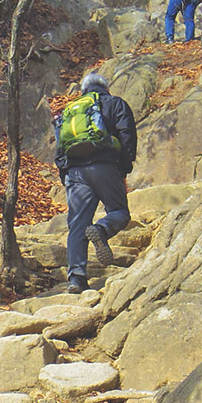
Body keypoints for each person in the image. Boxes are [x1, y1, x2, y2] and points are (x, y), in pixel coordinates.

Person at [54, 71, 137, 294]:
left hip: (75, 171)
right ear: (105, 88)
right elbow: (127, 135)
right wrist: (124, 167)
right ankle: (101, 229)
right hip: (105, 165)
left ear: (83, 90)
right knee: (119, 212)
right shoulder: (115, 103)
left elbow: (60, 147)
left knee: (77, 225)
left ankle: (76, 279)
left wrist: (65, 175)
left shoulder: (71, 110)